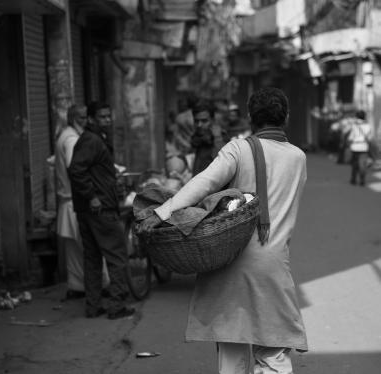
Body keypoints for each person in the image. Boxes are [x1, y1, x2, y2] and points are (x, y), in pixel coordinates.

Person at [138, 87, 308, 374]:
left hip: (231, 263)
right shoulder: (298, 157)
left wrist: (162, 212)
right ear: (286, 118)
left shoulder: (238, 149)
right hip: (275, 265)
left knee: (232, 351)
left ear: (250, 117)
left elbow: (202, 183)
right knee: (275, 352)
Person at [68, 102, 135, 320]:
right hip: (100, 209)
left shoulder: (95, 139)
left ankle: (93, 306)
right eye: (102, 117)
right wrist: (93, 197)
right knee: (117, 256)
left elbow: (89, 170)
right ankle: (116, 306)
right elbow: (76, 170)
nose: (107, 120)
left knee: (93, 258)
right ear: (91, 119)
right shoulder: (92, 140)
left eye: (108, 116)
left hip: (91, 208)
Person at [55, 105, 86, 300]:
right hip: (75, 201)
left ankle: (77, 286)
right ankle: (102, 286)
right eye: (83, 117)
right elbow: (74, 167)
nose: (86, 120)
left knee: (75, 252)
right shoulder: (72, 139)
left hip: (67, 201)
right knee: (89, 248)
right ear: (75, 119)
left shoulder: (64, 135)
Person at [347, 109, 373, 186]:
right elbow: (370, 138)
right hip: (364, 147)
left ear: (357, 116)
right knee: (363, 164)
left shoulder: (354, 126)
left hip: (355, 147)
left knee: (354, 164)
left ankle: (353, 179)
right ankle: (362, 179)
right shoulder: (368, 126)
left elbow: (350, 137)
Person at [191, 103, 215, 176]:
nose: (199, 125)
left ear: (212, 120)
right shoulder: (197, 139)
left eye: (204, 121)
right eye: (196, 121)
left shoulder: (219, 140)